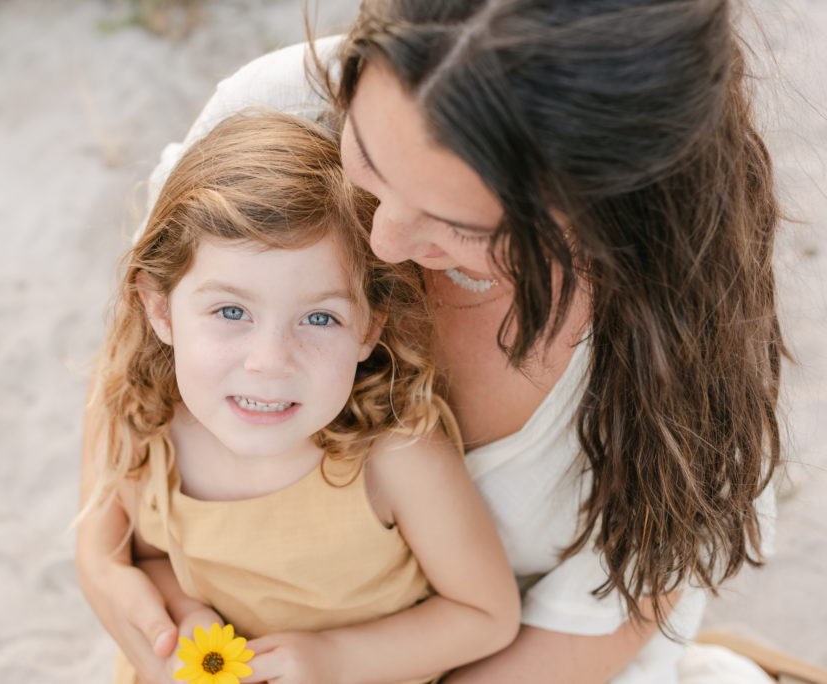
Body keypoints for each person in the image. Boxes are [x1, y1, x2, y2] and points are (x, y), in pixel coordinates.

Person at [77, 1, 784, 681]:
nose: (383, 243)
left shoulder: (679, 344)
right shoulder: (279, 114)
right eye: (369, 162)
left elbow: (602, 607)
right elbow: (141, 353)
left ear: (604, 213)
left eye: (464, 227)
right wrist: (104, 558)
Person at [78, 110, 521, 683]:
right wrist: (186, 620)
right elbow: (154, 556)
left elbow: (486, 615)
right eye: (231, 311)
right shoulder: (149, 417)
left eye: (319, 317)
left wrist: (334, 659)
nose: (270, 359)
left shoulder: (394, 456)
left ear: (369, 328)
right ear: (160, 308)